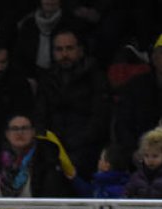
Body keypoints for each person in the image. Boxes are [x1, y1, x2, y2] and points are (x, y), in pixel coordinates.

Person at [34, 27, 109, 180]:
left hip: (87, 150)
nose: (64, 54)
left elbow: (100, 119)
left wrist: (74, 147)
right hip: (52, 150)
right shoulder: (47, 79)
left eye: (69, 48)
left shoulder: (96, 77)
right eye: (59, 49)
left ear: (80, 50)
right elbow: (40, 116)